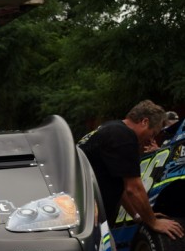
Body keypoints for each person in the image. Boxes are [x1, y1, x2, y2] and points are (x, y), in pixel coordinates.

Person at [78, 100, 184, 240]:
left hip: (82, 213)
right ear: (144, 121)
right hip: (87, 219)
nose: (150, 140)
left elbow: (120, 186)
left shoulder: (109, 128)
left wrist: (138, 216)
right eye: (153, 134)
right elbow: (133, 188)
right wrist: (153, 222)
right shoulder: (124, 137)